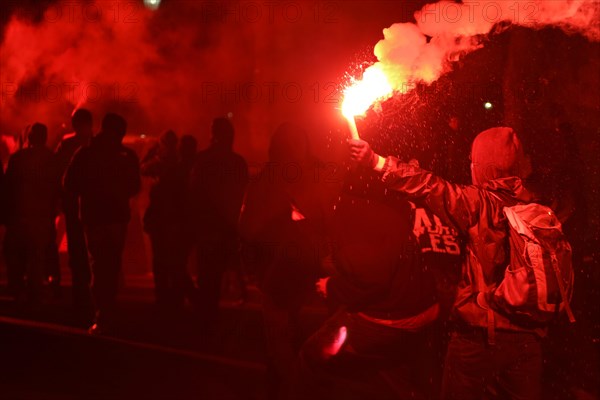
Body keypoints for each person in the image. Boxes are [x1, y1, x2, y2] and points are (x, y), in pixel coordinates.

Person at [350, 127, 544, 400]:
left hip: (481, 340)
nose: (470, 168)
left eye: (472, 163)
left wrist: (377, 162)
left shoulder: (479, 204)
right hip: (529, 340)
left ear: (484, 166)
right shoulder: (535, 206)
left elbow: (430, 185)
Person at [292, 167, 462, 400]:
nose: (294, 217)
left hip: (398, 316)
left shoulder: (345, 227)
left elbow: (374, 279)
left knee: (311, 355)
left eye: (297, 211)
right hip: (424, 304)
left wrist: (331, 287)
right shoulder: (355, 208)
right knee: (392, 368)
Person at [239, 123, 336, 400]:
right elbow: (248, 227)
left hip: (307, 276)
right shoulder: (270, 181)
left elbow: (246, 227)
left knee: (294, 341)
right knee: (287, 341)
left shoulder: (313, 176)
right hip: (285, 275)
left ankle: (293, 388)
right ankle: (292, 387)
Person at [64, 113, 141, 334]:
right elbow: (135, 186)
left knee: (98, 265)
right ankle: (109, 311)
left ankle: (102, 314)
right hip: (116, 218)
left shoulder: (86, 153)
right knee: (112, 264)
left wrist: (90, 192)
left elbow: (69, 183)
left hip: (94, 217)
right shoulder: (126, 155)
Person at [189, 117, 248, 327]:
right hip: (225, 226)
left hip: (211, 227)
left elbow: (194, 193)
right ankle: (210, 315)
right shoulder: (237, 162)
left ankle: (207, 316)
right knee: (221, 269)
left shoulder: (203, 160)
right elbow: (243, 195)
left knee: (209, 274)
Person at [3, 123, 61, 308]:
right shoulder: (52, 159)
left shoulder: (18, 158)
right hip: (43, 214)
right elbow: (57, 186)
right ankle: (35, 291)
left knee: (17, 253)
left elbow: (8, 186)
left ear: (29, 137)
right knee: (37, 254)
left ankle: (18, 288)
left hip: (20, 214)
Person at [142, 131, 197, 310]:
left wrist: (156, 155)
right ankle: (176, 299)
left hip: (169, 222)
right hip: (175, 222)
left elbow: (148, 175)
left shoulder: (176, 168)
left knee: (169, 263)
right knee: (173, 263)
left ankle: (180, 299)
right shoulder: (185, 166)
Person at [55, 109, 94, 316]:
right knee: (91, 251)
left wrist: (60, 198)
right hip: (92, 207)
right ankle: (92, 295)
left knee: (79, 251)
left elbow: (59, 175)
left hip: (75, 206)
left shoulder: (68, 144)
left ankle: (82, 296)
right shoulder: (98, 145)